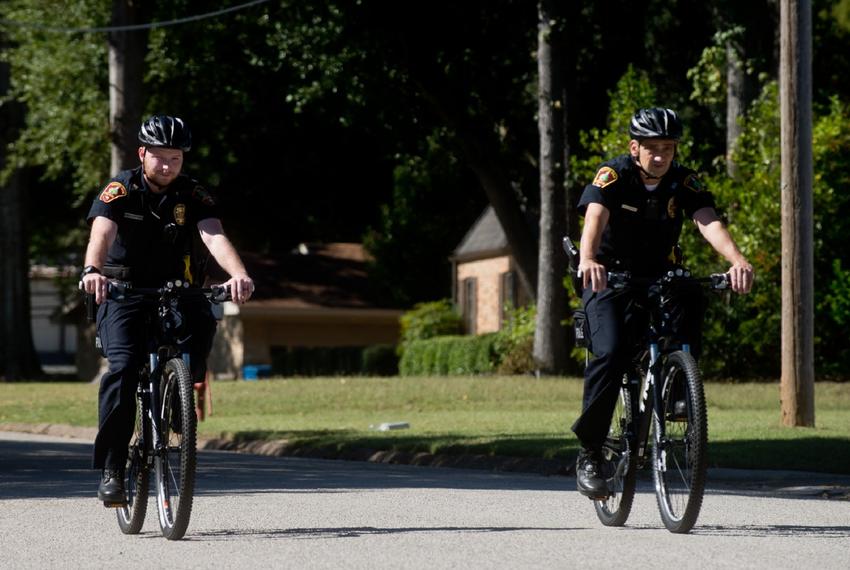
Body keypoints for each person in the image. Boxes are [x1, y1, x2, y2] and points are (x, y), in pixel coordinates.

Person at [572, 107, 754, 498]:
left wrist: (736, 260)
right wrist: (588, 260)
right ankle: (590, 452)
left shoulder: (682, 181)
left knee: (691, 293)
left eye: (668, 148)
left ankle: (677, 389)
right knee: (612, 351)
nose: (661, 156)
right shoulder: (614, 175)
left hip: (659, 275)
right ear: (634, 147)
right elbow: (594, 218)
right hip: (608, 276)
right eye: (652, 148)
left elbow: (708, 221)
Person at [80, 115, 255, 504]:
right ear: (142, 154)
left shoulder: (193, 195)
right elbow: (101, 234)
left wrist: (239, 274)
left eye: (175, 158)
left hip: (176, 289)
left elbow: (214, 236)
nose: (167, 166)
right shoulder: (120, 189)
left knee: (201, 326)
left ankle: (177, 404)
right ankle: (112, 466)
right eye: (159, 158)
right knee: (123, 370)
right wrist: (93, 271)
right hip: (122, 291)